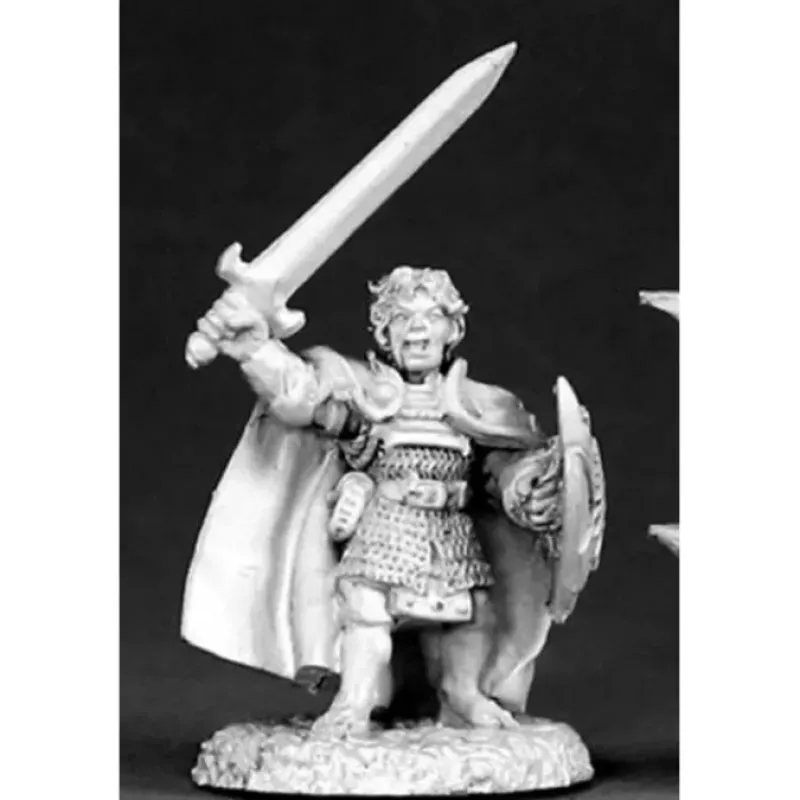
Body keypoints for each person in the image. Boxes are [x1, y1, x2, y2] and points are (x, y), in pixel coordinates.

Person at [182, 266, 605, 738]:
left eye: (432, 316)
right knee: (366, 608)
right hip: (387, 521)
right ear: (385, 333)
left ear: (453, 329)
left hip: (449, 525)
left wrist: (524, 487)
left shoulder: (481, 405)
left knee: (473, 613)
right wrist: (257, 351)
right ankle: (355, 701)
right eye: (403, 318)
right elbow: (301, 395)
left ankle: (462, 693)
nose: (418, 329)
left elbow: (499, 467)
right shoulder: (364, 391)